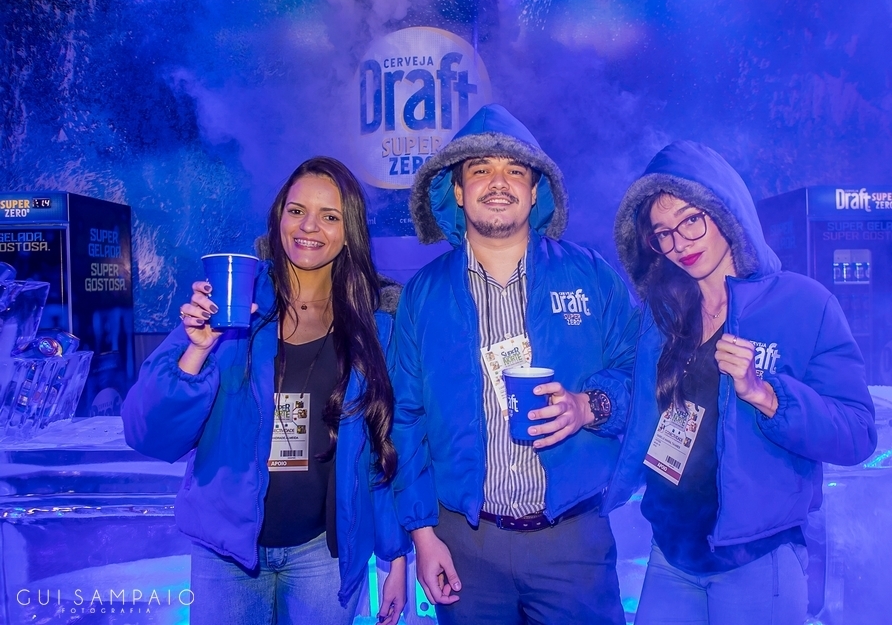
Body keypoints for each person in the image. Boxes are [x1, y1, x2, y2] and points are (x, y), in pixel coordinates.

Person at [122, 157, 409, 625]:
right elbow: (147, 433)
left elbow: (382, 448)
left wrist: (395, 557)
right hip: (227, 555)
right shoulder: (230, 302)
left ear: (349, 231)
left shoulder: (373, 324)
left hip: (324, 556)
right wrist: (196, 350)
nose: (309, 226)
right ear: (278, 217)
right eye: (297, 210)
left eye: (329, 216)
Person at [603, 141, 878, 625]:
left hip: (755, 561)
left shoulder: (804, 304)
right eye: (663, 233)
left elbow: (857, 433)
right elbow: (643, 408)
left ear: (725, 212)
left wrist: (767, 396)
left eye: (691, 220)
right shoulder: (663, 314)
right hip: (670, 552)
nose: (680, 243)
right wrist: (591, 406)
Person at [390, 104, 637, 624]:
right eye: (481, 169)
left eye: (515, 171)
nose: (498, 182)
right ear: (458, 191)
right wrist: (423, 535)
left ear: (536, 190)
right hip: (464, 546)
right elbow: (404, 419)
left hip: (573, 543)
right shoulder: (423, 295)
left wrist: (589, 406)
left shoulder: (591, 276)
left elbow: (640, 372)